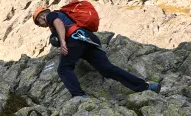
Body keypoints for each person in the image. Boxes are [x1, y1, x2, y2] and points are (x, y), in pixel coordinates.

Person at [33, 5, 161, 98]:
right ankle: (146, 86)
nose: (41, 25)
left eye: (38, 22)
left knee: (64, 69)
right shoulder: (62, 15)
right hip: (89, 39)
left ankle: (79, 97)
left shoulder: (50, 15)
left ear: (41, 16)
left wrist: (63, 42)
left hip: (75, 39)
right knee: (107, 69)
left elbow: (59, 23)